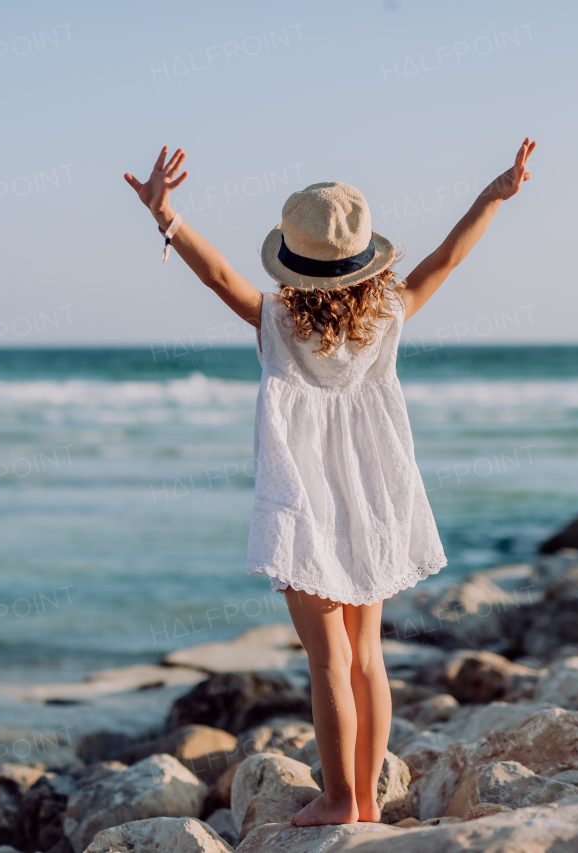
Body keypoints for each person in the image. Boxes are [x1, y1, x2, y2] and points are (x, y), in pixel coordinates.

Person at [123, 139, 537, 825]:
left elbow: (218, 275)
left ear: (293, 261)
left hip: (304, 503)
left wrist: (167, 217)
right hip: (375, 500)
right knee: (366, 656)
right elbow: (447, 257)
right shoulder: (389, 313)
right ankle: (365, 799)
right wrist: (493, 196)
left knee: (327, 663)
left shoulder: (277, 324)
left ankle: (341, 798)